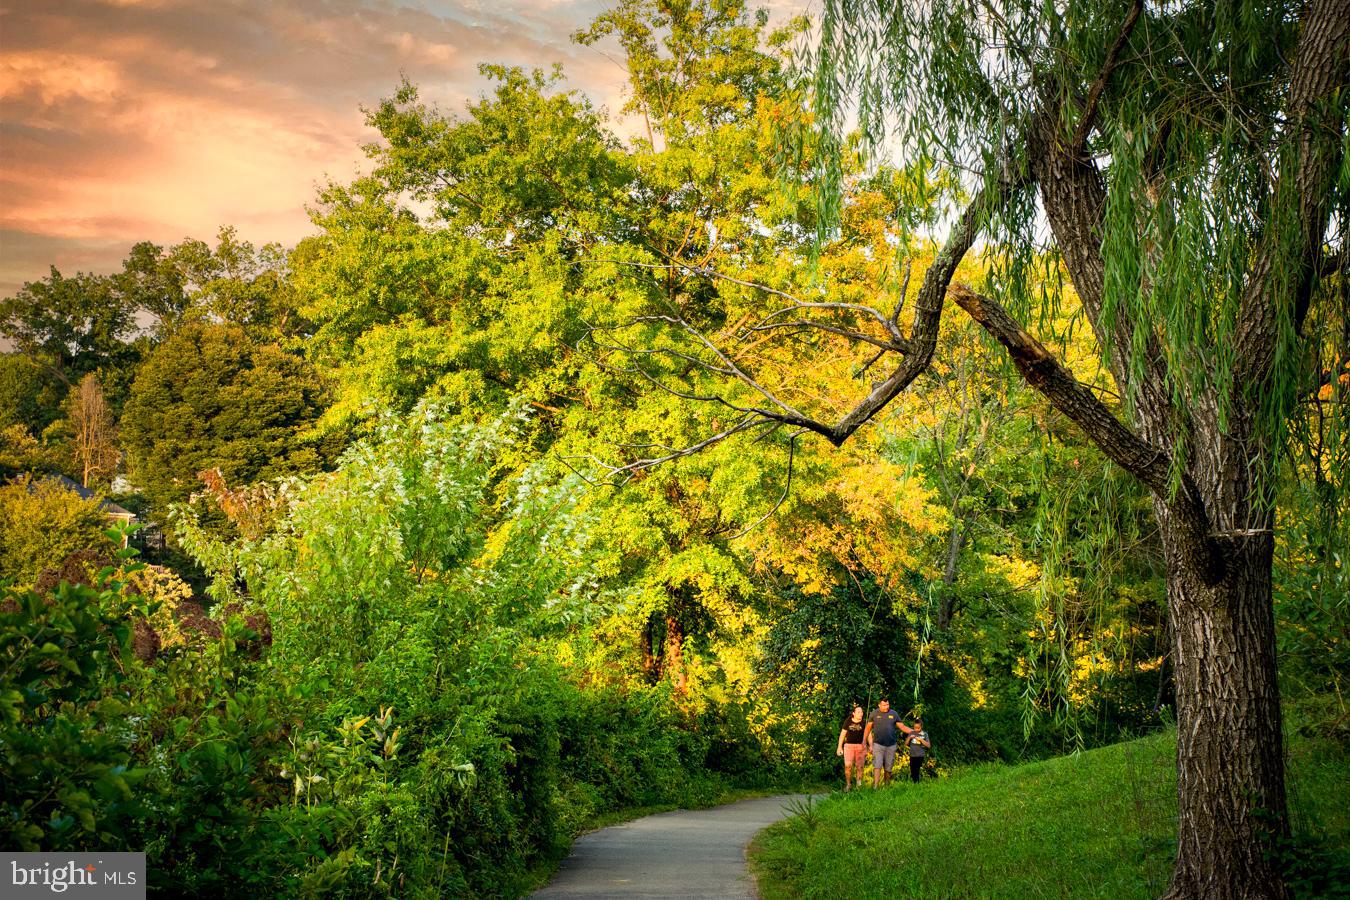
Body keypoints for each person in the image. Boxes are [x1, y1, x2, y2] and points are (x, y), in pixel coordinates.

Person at [863, 698, 912, 787]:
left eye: (888, 705)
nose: (886, 707)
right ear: (879, 705)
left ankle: (887, 786)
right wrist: (864, 741)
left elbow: (902, 727)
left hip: (891, 745)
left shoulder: (894, 714)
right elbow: (868, 728)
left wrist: (914, 732)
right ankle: (875, 787)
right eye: (884, 705)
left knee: (888, 768)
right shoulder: (874, 713)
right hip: (878, 744)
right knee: (877, 765)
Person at [835, 705, 867, 791]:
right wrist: (839, 747)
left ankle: (858, 786)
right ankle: (848, 785)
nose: (861, 714)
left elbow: (869, 735)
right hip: (848, 747)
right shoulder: (848, 721)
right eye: (858, 712)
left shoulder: (864, 723)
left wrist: (871, 745)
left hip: (860, 747)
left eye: (862, 712)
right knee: (848, 766)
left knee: (860, 767)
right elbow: (842, 734)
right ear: (854, 713)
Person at [904, 716, 930, 783]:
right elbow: (906, 744)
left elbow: (928, 745)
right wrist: (909, 738)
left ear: (921, 727)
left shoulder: (924, 734)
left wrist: (921, 740)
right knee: (912, 770)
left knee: (917, 770)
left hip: (920, 755)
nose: (916, 729)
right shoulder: (912, 733)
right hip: (912, 755)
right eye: (915, 728)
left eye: (918, 728)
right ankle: (914, 783)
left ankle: (917, 783)